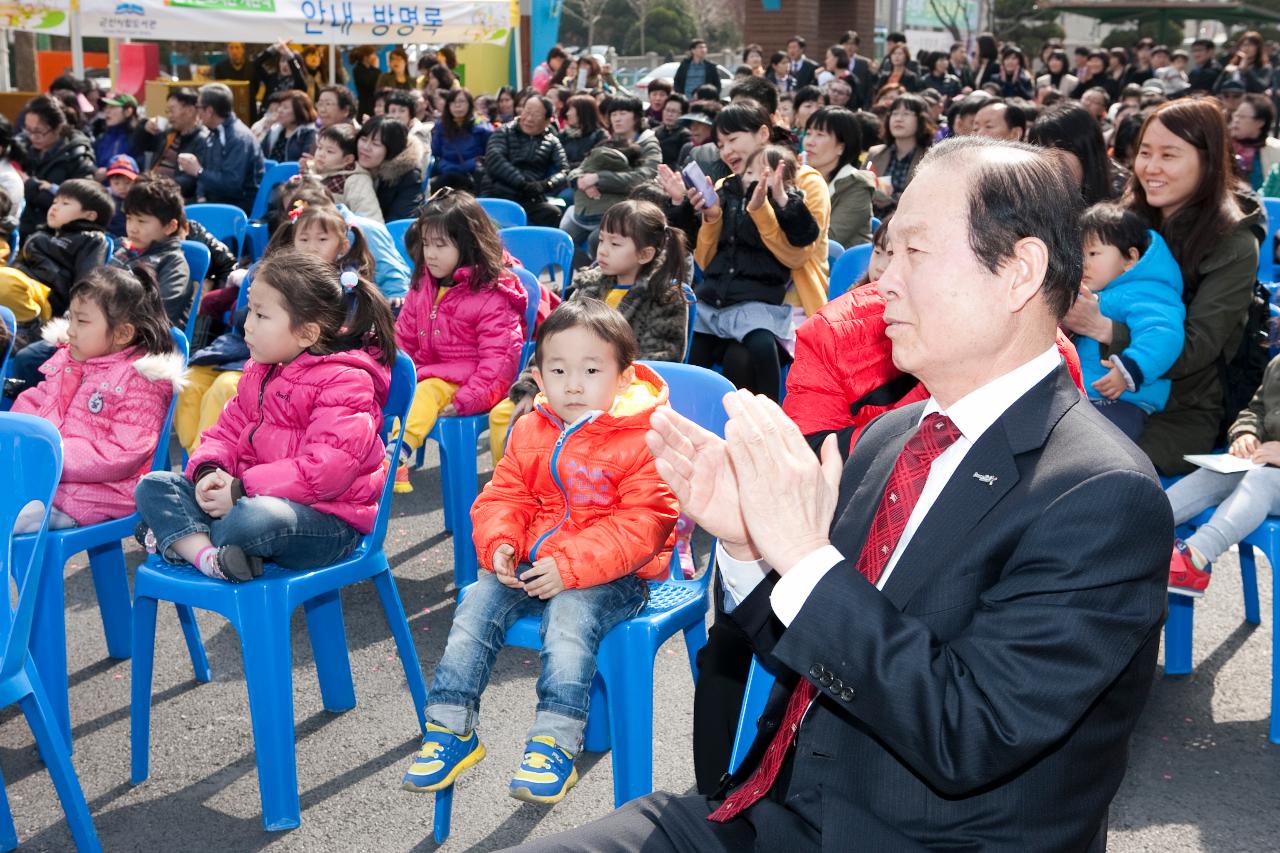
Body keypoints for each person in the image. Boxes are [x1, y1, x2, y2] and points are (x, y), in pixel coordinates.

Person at [517, 134, 1171, 853]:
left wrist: (800, 553)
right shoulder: (894, 436)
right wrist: (746, 547)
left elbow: (970, 732)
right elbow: (815, 642)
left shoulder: (1100, 492)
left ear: (1019, 272)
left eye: (914, 253)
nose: (882, 280)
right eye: (886, 252)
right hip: (776, 813)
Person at [400, 297, 678, 804]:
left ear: (623, 377)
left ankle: (554, 741)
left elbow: (646, 524)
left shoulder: (644, 438)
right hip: (535, 562)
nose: (573, 384)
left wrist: (568, 569)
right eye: (558, 369)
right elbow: (505, 495)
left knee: (570, 616)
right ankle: (451, 726)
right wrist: (502, 544)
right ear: (539, 372)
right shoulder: (532, 427)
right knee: (476, 601)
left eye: (591, 369)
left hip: (616, 574)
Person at [134, 249, 396, 582]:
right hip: (248, 498)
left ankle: (179, 538)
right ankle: (210, 557)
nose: (247, 325)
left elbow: (326, 473)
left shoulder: (346, 380)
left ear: (307, 333)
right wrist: (209, 473)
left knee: (253, 519)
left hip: (324, 523)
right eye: (249, 312)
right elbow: (224, 433)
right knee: (154, 486)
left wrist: (242, 490)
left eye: (261, 316)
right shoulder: (259, 370)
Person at [1063, 98, 1261, 476]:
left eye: (1169, 155)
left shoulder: (1234, 243)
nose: (1151, 168)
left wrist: (1103, 327)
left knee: (1096, 477)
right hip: (1092, 390)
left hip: (1180, 413)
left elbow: (1197, 347)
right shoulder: (1125, 221)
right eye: (1144, 153)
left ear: (1208, 161)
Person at [487, 199, 691, 463]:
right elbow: (551, 342)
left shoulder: (664, 297)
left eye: (615, 244)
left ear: (645, 254)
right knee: (504, 415)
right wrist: (529, 387)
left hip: (614, 396)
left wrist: (599, 384)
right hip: (563, 385)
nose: (602, 251)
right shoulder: (588, 287)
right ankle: (516, 489)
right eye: (602, 240)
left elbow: (659, 359)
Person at [662, 104, 831, 401]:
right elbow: (705, 259)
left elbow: (796, 256)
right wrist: (708, 215)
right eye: (721, 144)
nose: (727, 151)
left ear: (763, 133)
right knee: (695, 346)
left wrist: (763, 206)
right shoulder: (728, 186)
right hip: (726, 301)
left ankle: (763, 428)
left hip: (785, 304)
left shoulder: (803, 181)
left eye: (733, 139)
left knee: (742, 358)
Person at [176, 203, 375, 454]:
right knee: (189, 382)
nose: (312, 246)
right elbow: (241, 325)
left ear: (342, 246)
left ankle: (205, 467)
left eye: (322, 239)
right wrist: (254, 305)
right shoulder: (278, 274)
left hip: (286, 365)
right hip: (248, 353)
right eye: (304, 238)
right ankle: (196, 459)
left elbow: (332, 339)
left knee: (225, 388)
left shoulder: (341, 288)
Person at [11, 265, 185, 534]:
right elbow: (36, 403)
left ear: (122, 334)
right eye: (70, 319)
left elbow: (122, 453)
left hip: (95, 494)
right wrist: (16, 439)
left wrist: (49, 455)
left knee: (9, 516)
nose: (70, 331)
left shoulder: (140, 380)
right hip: (46, 478)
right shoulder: (69, 360)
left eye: (82, 322)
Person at [388, 190, 526, 493]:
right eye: (426, 244)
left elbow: (499, 362)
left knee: (427, 389)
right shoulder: (424, 284)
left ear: (468, 244)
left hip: (471, 382)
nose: (430, 254)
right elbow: (404, 340)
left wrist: (467, 400)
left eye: (441, 245)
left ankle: (396, 455)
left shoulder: (491, 293)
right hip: (429, 372)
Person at [1165, 355, 1280, 596]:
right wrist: (1247, 434)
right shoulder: (1277, 364)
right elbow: (1255, 410)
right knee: (1216, 473)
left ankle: (1194, 559)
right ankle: (1134, 530)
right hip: (1266, 464)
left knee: (1260, 481)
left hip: (1269, 479)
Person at [1074, 203, 1185, 441]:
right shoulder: (1099, 291)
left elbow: (1162, 332)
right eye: (1079, 254)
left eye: (1093, 253)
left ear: (1130, 259)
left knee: (1098, 448)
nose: (1084, 263)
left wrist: (1129, 371)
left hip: (1122, 400)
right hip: (1085, 397)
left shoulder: (1146, 290)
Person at [0, 179, 112, 336]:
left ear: (90, 215)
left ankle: (33, 327)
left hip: (46, 301)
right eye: (55, 202)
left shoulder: (92, 240)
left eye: (65, 204)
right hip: (20, 287)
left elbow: (87, 281)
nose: (54, 207)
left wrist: (72, 317)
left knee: (5, 281)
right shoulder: (42, 234)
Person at [14, 93, 96, 241]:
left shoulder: (77, 156)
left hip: (56, 239)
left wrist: (30, 185)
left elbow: (79, 204)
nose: (32, 137)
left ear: (58, 129)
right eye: (28, 129)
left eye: (38, 131)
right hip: (22, 230)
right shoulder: (23, 148)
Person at [479, 95, 569, 228]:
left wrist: (545, 185)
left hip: (529, 198)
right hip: (498, 193)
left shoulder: (552, 141)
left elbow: (564, 170)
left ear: (547, 120)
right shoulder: (504, 131)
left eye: (536, 114)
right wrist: (522, 183)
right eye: (527, 111)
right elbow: (494, 158)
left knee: (552, 213)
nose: (529, 118)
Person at [804, 106, 874, 248]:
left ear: (841, 147)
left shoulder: (857, 186)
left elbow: (830, 239)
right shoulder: (802, 176)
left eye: (820, 135)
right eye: (808, 133)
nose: (809, 142)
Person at [1027, 102, 1121, 204]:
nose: (1048, 163)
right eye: (1040, 151)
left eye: (1059, 149)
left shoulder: (1120, 207)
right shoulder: (1027, 206)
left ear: (1087, 152)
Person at [191, 83, 264, 213]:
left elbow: (232, 184)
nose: (197, 112)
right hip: (215, 201)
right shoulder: (213, 132)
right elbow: (205, 168)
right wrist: (200, 196)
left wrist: (198, 171)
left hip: (237, 207)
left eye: (198, 107)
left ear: (209, 111)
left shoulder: (238, 138)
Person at [867, 93, 935, 214]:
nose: (898, 119)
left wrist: (893, 199)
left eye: (906, 114)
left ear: (921, 120)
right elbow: (859, 189)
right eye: (894, 113)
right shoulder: (875, 153)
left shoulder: (930, 158)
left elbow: (929, 197)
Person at [141, 87, 209, 203]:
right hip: (155, 190)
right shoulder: (169, 133)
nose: (169, 116)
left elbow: (191, 181)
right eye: (167, 111)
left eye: (172, 110)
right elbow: (138, 145)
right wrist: (144, 128)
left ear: (190, 110)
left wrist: (159, 185)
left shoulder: (203, 139)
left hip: (172, 197)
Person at [304, 123, 382, 223]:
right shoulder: (311, 172)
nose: (321, 154)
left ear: (348, 159)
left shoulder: (356, 180)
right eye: (319, 147)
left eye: (330, 151)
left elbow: (371, 220)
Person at [356, 116, 424, 223]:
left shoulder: (408, 176)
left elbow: (400, 222)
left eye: (375, 144)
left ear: (392, 150)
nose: (365, 147)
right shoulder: (348, 158)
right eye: (363, 139)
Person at [430, 88, 493, 193]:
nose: (457, 106)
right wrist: (443, 165)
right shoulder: (441, 126)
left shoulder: (482, 127)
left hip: (471, 175)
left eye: (461, 101)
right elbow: (435, 152)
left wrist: (473, 164)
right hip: (446, 175)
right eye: (453, 102)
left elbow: (488, 155)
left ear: (470, 104)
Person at [1229, 93, 1279, 190]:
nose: (1236, 120)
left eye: (1242, 117)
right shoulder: (1223, 146)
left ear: (1260, 122)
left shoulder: (1276, 151)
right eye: (1236, 115)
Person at [92, 93, 146, 176]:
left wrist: (108, 171)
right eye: (106, 107)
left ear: (128, 111)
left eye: (112, 107)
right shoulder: (101, 137)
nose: (107, 111)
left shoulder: (138, 137)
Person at [261, 89, 318, 163]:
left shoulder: (308, 134)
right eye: (280, 106)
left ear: (299, 111)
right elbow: (261, 154)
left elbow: (306, 161)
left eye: (285, 107)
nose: (279, 110)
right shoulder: (274, 131)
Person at [556, 94, 607, 171]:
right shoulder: (563, 135)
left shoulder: (599, 136)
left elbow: (594, 163)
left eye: (571, 109)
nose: (567, 113)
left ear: (582, 112)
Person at [103, 154, 138, 240]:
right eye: (116, 183)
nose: (122, 187)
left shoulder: (138, 199)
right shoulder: (104, 197)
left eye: (127, 183)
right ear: (109, 182)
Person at [350, 46, 382, 120]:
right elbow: (369, 84)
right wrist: (376, 68)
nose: (375, 56)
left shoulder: (372, 69)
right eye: (373, 54)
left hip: (374, 103)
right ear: (366, 57)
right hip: (365, 105)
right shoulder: (358, 69)